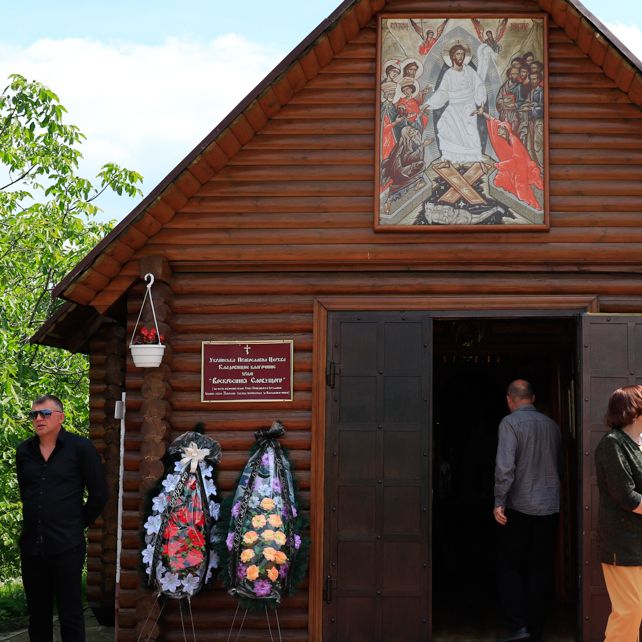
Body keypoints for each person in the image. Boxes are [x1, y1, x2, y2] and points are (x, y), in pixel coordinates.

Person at [16, 394, 108, 642]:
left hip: (67, 545)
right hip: (32, 546)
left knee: (71, 613)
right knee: (38, 615)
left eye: (44, 413)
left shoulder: (80, 448)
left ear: (61, 417)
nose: (38, 419)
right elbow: (26, 491)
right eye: (34, 414)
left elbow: (99, 493)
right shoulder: (24, 451)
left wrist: (77, 523)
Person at [493, 380, 562, 642]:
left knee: (509, 566)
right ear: (532, 398)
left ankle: (518, 626)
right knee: (540, 568)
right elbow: (560, 466)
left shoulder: (509, 423)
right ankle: (537, 629)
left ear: (509, 399)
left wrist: (499, 500)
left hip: (518, 507)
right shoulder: (553, 426)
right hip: (549, 507)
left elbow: (505, 468)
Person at [595, 385, 642, 641]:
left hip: (638, 541)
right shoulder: (613, 444)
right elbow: (627, 497)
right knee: (630, 612)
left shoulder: (639, 443)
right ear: (634, 411)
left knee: (635, 612)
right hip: (621, 543)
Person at [423, 43, 487, 164]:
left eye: (462, 54)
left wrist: (481, 105)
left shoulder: (469, 71)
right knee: (443, 124)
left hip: (468, 106)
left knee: (470, 132)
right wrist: (428, 104)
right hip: (454, 106)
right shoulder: (449, 74)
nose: (460, 56)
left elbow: (479, 86)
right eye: (458, 54)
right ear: (453, 56)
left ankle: (472, 157)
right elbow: (442, 92)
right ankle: (451, 156)